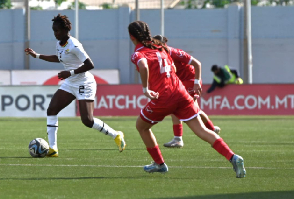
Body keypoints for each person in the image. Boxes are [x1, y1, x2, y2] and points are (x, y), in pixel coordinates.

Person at [129, 20, 246, 178]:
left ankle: (159, 164)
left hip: (163, 97)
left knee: (141, 126)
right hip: (181, 93)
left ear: (132, 37)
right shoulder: (163, 47)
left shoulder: (138, 53)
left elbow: (143, 66)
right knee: (202, 130)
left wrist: (145, 89)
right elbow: (189, 63)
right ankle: (233, 157)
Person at [25, 14, 126, 157]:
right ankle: (53, 149)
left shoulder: (74, 45)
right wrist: (37, 55)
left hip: (84, 83)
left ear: (66, 30)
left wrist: (70, 73)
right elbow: (58, 57)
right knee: (52, 109)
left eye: (58, 31)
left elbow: (90, 64)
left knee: (87, 120)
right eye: (54, 31)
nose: (56, 34)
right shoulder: (60, 43)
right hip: (71, 83)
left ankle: (116, 135)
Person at [153, 35, 220, 148]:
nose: (154, 48)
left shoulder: (175, 53)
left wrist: (197, 82)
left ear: (163, 44)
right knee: (195, 109)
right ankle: (212, 129)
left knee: (176, 107)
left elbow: (197, 63)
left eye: (156, 45)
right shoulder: (161, 56)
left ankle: (178, 139)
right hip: (181, 83)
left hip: (190, 80)